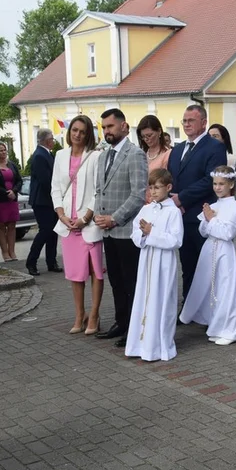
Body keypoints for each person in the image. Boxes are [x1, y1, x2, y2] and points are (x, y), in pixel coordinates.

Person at [94, 108, 148, 348]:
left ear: (124, 126)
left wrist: (114, 218)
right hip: (107, 230)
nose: (107, 131)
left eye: (110, 127)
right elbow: (100, 190)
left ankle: (135, 328)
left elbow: (138, 195)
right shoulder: (103, 156)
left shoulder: (135, 154)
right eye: (104, 127)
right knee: (115, 280)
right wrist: (98, 215)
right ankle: (121, 321)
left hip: (126, 230)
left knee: (131, 281)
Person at [179, 166, 236, 345]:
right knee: (211, 288)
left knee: (226, 289)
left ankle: (231, 330)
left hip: (224, 252)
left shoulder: (234, 207)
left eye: (221, 184)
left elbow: (227, 234)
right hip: (210, 250)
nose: (217, 187)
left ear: (231, 184)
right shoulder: (214, 205)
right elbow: (203, 231)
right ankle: (216, 324)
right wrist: (209, 219)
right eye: (215, 184)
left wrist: (212, 220)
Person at [169, 105, 227, 299]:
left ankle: (209, 308)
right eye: (184, 121)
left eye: (191, 120)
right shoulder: (177, 150)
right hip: (181, 217)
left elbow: (211, 180)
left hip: (202, 216)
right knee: (187, 265)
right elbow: (172, 178)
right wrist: (173, 199)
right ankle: (188, 306)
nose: (186, 124)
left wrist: (181, 198)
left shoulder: (215, 147)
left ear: (203, 122)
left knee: (206, 267)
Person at [52, 115, 103, 335]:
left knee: (95, 271)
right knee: (75, 272)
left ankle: (94, 314)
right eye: (74, 130)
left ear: (88, 134)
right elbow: (55, 188)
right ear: (69, 131)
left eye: (82, 131)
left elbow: (98, 190)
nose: (78, 135)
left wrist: (85, 218)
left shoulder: (95, 156)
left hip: (88, 222)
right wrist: (62, 215)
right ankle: (79, 314)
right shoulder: (60, 155)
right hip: (67, 223)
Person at [125, 168, 183, 361]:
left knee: (162, 300)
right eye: (151, 188)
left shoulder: (173, 212)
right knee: (144, 299)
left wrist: (152, 232)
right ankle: (140, 345)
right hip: (147, 260)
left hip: (164, 263)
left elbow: (176, 240)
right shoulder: (146, 209)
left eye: (157, 187)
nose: (153, 192)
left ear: (168, 187)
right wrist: (142, 234)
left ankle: (160, 346)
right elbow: (135, 233)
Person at [25, 130, 60, 273]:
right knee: (45, 231)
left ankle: (51, 262)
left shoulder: (47, 153)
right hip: (42, 200)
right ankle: (31, 261)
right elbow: (45, 180)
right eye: (52, 139)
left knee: (53, 232)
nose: (53, 141)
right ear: (46, 141)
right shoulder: (39, 155)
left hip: (49, 200)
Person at [0, 142, 24, 263]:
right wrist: (6, 193)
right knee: (1, 226)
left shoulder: (12, 165)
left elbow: (19, 180)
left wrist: (14, 191)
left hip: (12, 199)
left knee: (12, 225)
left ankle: (12, 251)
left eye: (5, 150)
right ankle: (4, 252)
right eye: (1, 150)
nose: (4, 152)